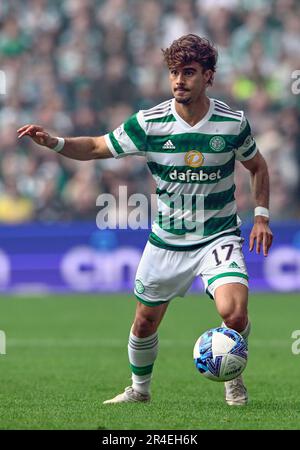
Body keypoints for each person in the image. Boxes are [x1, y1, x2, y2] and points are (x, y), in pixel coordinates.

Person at [18, 34, 273, 406]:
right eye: (173, 72)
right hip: (167, 241)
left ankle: (232, 375)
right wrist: (54, 142)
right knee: (144, 323)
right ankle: (139, 390)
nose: (179, 80)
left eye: (188, 72)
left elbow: (258, 166)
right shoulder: (150, 123)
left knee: (233, 313)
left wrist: (261, 217)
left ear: (208, 77)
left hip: (218, 237)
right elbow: (95, 147)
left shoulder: (232, 123)